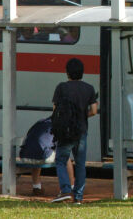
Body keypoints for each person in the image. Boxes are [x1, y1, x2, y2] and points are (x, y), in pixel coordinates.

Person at [51, 58, 98, 204]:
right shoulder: (89, 88)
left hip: (65, 132)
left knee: (60, 160)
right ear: (82, 72)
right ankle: (78, 197)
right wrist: (83, 116)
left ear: (67, 73)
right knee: (80, 163)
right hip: (81, 131)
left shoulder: (61, 87)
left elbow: (55, 110)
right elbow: (94, 111)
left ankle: (65, 189)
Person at [18, 117, 74, 196]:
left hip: (24, 156)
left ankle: (36, 187)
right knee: (65, 155)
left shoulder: (40, 122)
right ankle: (72, 187)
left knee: (38, 150)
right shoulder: (60, 125)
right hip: (43, 156)